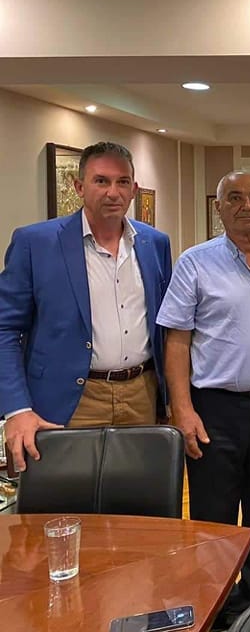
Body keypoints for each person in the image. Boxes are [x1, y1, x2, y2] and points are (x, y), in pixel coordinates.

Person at [157, 171, 250, 629]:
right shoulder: (195, 263)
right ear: (219, 208)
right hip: (214, 409)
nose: (248, 205)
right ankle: (215, 607)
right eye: (236, 197)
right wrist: (182, 409)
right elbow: (177, 341)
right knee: (214, 516)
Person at [0, 141, 172, 472]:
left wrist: (171, 399)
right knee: (67, 496)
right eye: (101, 181)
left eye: (122, 182)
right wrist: (16, 409)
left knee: (136, 494)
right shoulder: (36, 243)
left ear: (134, 189)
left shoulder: (155, 243)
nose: (113, 192)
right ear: (79, 187)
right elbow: (5, 328)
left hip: (141, 395)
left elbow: (164, 325)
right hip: (68, 400)